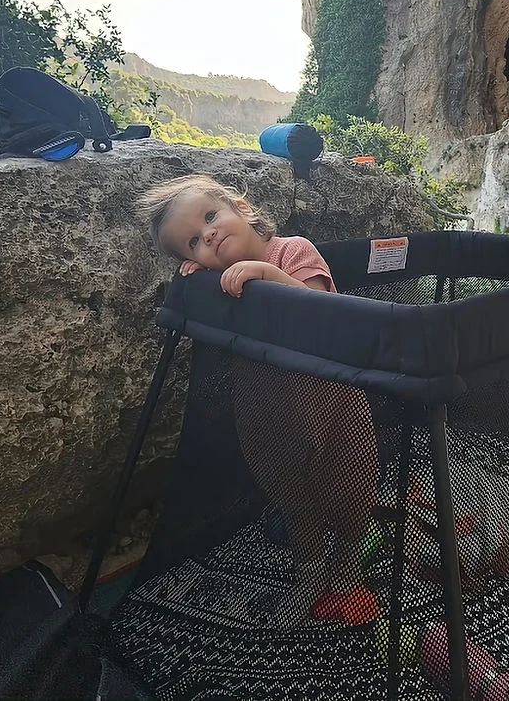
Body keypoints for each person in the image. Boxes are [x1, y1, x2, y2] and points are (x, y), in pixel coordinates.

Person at [137, 174, 379, 626]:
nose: (208, 235)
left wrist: (268, 275)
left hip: (333, 409)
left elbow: (325, 314)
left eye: (211, 217)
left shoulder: (292, 251)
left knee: (351, 490)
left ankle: (347, 568)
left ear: (243, 209)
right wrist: (203, 279)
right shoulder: (215, 281)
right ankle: (310, 573)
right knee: (292, 498)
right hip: (267, 415)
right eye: (193, 243)